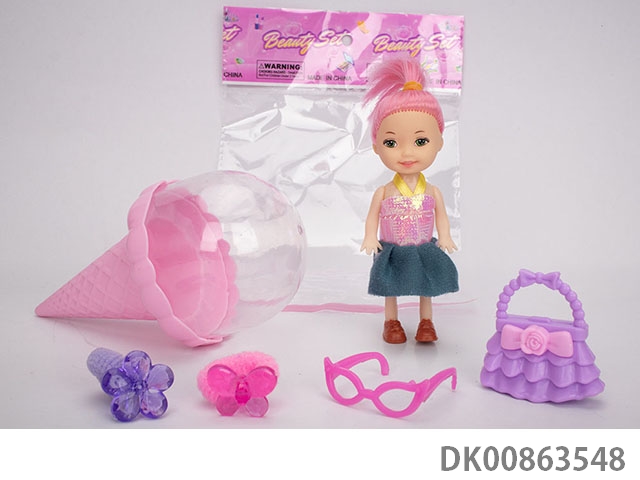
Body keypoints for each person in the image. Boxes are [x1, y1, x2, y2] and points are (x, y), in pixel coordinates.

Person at [361, 57, 459, 344]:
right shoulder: (384, 192)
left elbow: (441, 216)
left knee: (426, 285)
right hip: (393, 248)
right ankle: (391, 322)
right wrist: (370, 237)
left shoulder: (432, 191)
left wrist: (445, 236)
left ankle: (426, 321)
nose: (406, 153)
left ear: (439, 142)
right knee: (390, 287)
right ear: (376, 146)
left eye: (420, 141)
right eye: (391, 143)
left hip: (422, 247)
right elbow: (372, 217)